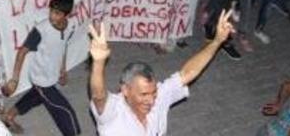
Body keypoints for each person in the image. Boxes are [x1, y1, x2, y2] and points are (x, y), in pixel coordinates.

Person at [88, 10, 235, 135]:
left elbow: (187, 73)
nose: (151, 101)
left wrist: (217, 41)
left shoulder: (159, 97)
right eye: (144, 95)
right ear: (125, 90)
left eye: (153, 93)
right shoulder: (112, 112)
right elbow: (98, 95)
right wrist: (99, 63)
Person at [1, 0, 81, 136]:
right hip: (41, 78)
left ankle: (9, 115)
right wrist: (14, 80)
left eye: (57, 13)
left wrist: (62, 70)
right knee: (63, 109)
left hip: (51, 74)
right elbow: (22, 52)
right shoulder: (41, 30)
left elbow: (63, 46)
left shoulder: (71, 26)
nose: (52, 16)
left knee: (36, 97)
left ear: (66, 15)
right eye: (51, 11)